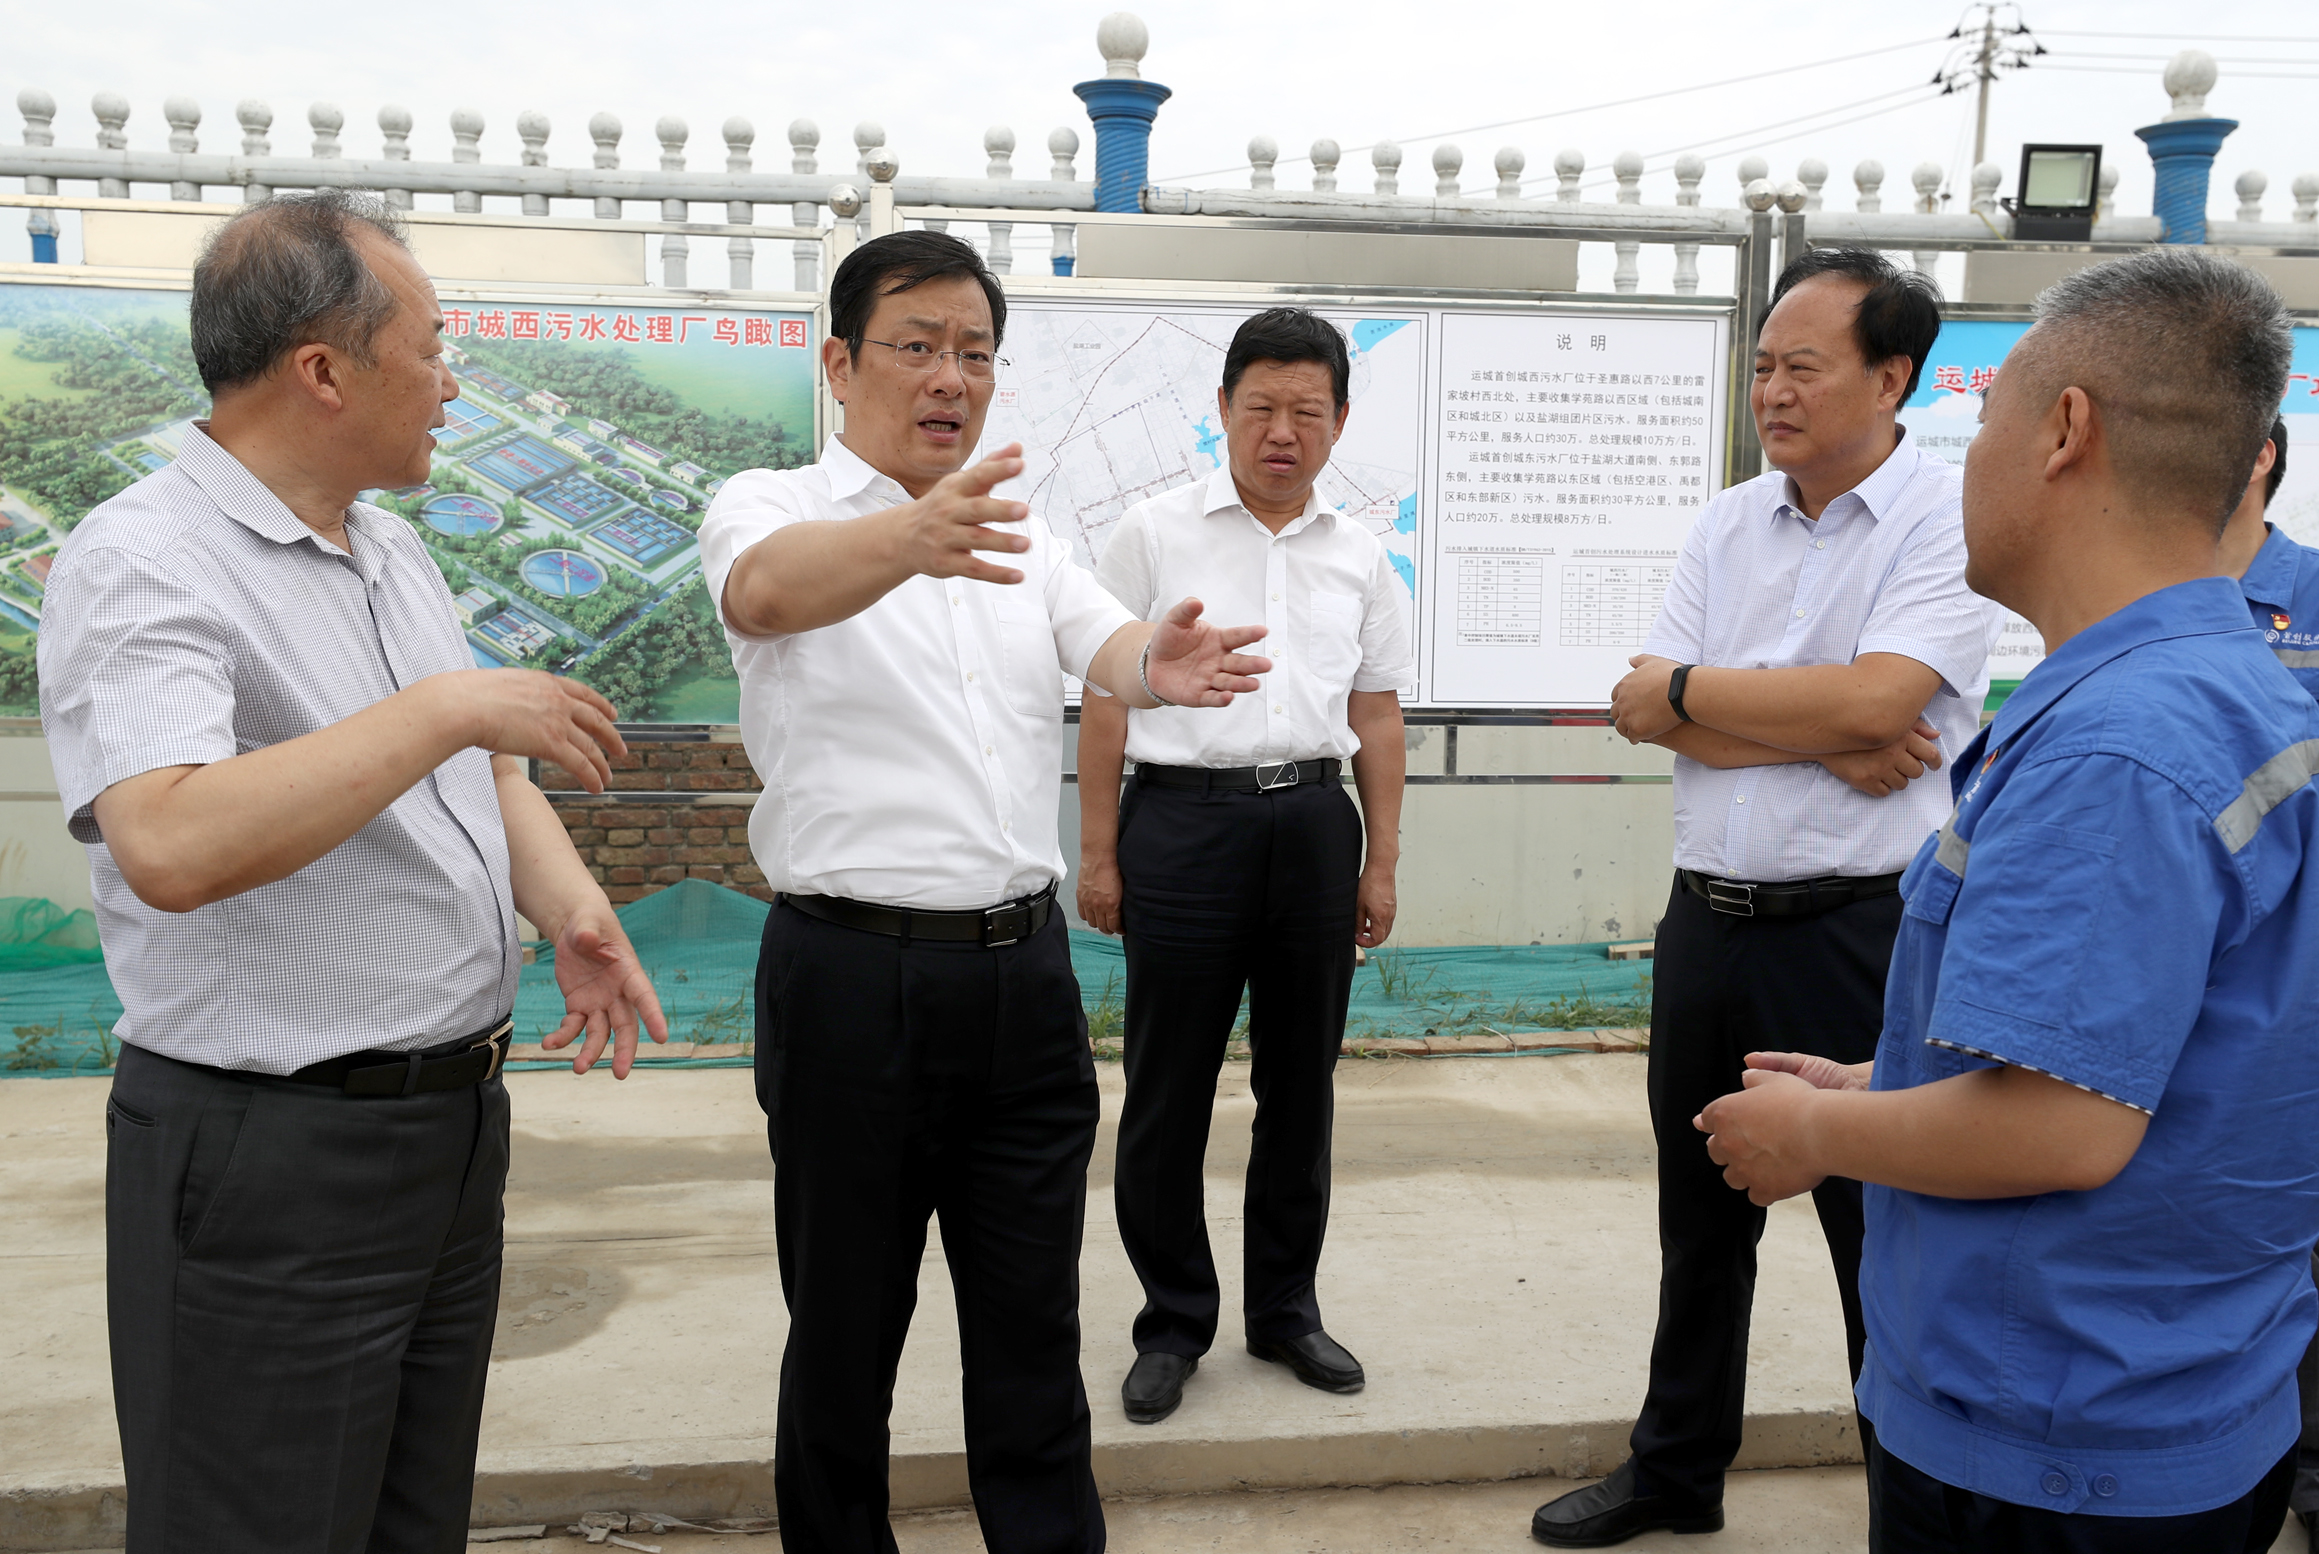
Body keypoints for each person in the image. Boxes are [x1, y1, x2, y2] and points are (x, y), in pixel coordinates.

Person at [1701, 250, 2319, 1553]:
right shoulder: (2231, 685)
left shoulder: (2114, 747)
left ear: (2063, 432)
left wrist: (1814, 1133)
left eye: (1981, 420)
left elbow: (2061, 1127)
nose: (1962, 466)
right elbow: (2172, 1043)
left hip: (2053, 1440)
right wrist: (1884, 1081)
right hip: (2186, 1390)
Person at [39, 191, 668, 1554]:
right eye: (432, 349)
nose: (454, 383)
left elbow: (483, 776)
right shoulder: (144, 560)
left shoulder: (387, 546)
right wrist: (446, 710)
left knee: (405, 1519)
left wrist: (570, 908)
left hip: (444, 1134)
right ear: (324, 371)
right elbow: (169, 839)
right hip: (273, 1155)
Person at [697, 228, 1272, 1554]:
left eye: (974, 352)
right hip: (850, 981)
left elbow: (1100, 638)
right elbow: (763, 596)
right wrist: (911, 533)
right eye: (917, 346)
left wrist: (1155, 662)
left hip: (1021, 984)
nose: (950, 377)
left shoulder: (1022, 527)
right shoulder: (771, 504)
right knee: (844, 1330)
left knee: (1029, 1329)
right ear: (840, 362)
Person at [1534, 248, 1997, 1548]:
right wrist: (1825, 735)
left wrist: (1710, 698)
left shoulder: (1940, 519)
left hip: (1861, 932)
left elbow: (1876, 700)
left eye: (1801, 366)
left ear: (1890, 377)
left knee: (1881, 1232)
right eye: (1760, 367)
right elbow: (1639, 707)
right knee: (1698, 1217)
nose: (1771, 392)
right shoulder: (1728, 521)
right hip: (1708, 922)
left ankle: (1911, 1506)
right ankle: (1674, 1474)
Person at [1075, 307, 1414, 1425]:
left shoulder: (1359, 554)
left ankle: (1284, 1310)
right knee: (1166, 1089)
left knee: (1299, 1087)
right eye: (1260, 406)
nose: (1282, 431)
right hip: (1183, 824)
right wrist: (1099, 854)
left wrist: (1379, 865)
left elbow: (1375, 715)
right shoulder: (1151, 533)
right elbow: (1105, 699)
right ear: (1221, 409)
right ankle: (1172, 1323)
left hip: (1314, 828)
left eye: (1306, 411)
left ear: (1339, 421)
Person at [2218, 420, 2319, 1554]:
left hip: (2314, 971)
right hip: (2176, 961)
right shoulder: (2147, 597)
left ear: (2260, 453)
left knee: (2302, 1216)